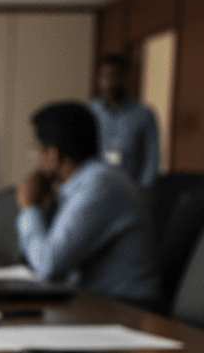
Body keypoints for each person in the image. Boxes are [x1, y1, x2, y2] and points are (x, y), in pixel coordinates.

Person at [15, 102, 159, 305]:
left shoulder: (99, 185)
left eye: (36, 149)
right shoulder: (84, 183)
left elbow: (48, 266)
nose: (36, 158)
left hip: (127, 308)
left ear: (54, 153)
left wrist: (29, 207)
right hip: (98, 302)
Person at [88, 54, 160, 191]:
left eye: (118, 76)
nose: (112, 82)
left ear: (127, 78)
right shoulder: (89, 112)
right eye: (107, 76)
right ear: (99, 80)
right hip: (95, 189)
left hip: (130, 190)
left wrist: (143, 190)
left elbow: (152, 158)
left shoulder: (144, 114)